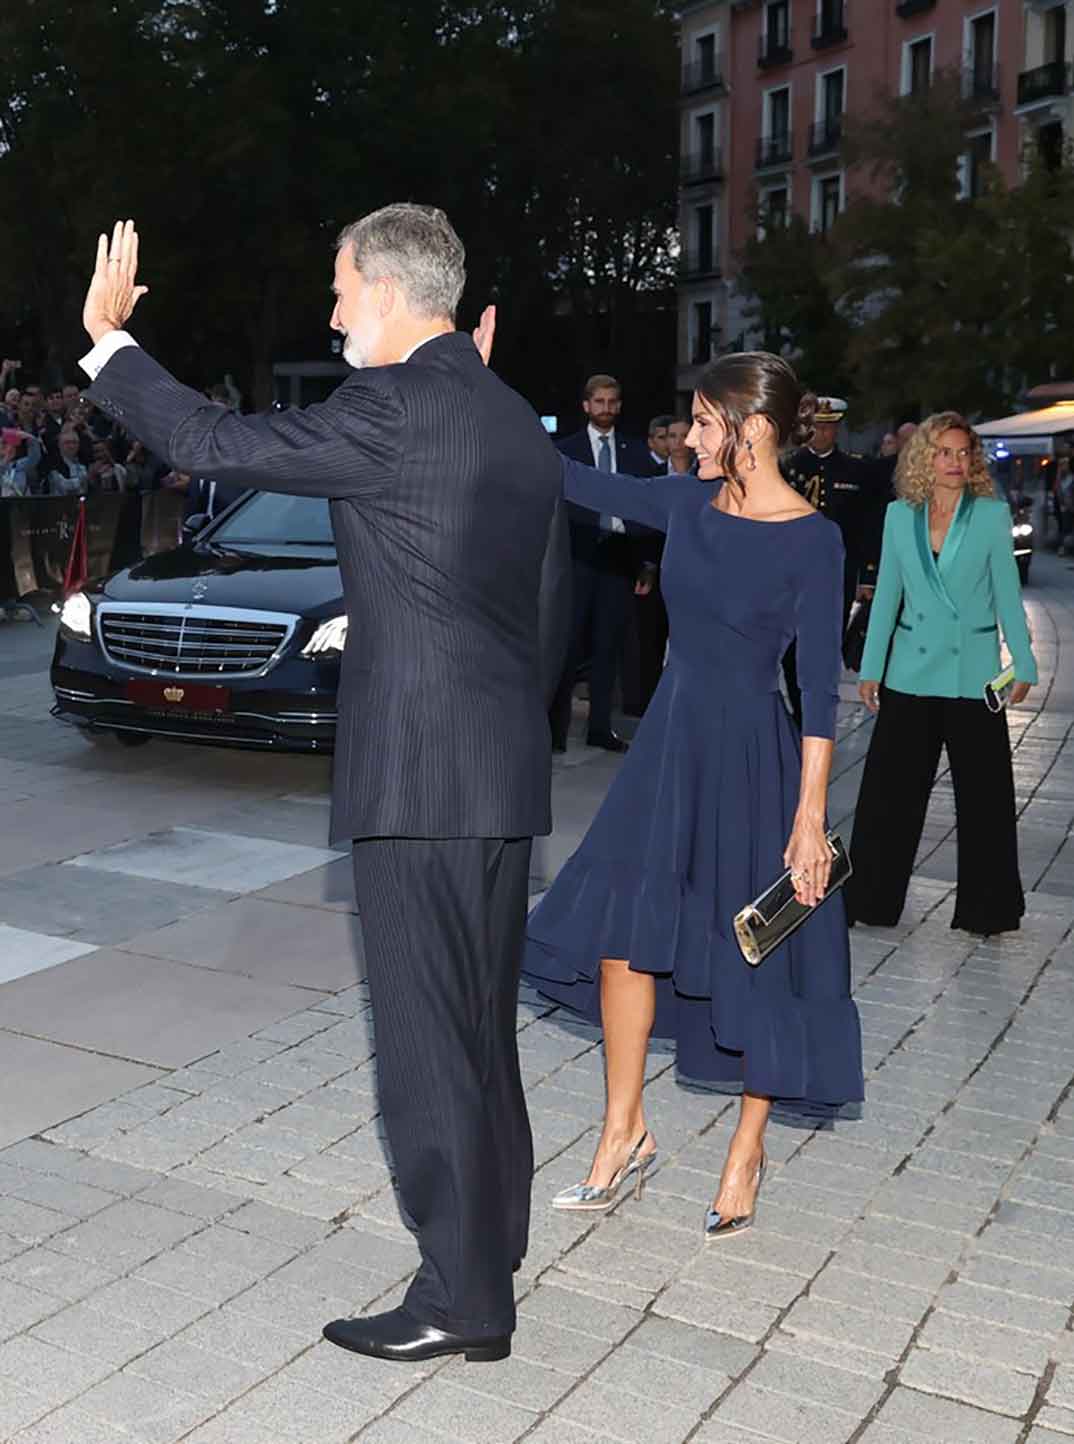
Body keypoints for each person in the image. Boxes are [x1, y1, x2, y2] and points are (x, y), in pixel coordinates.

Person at [79, 212, 570, 1366]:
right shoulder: (507, 415)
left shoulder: (396, 405)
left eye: (343, 290)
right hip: (499, 769)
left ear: (395, 294)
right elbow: (540, 609)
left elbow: (214, 440)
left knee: (422, 1038)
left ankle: (459, 1297)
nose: (334, 311)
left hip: (417, 771)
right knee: (479, 1032)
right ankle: (487, 1254)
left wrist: (108, 347)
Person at [525, 352, 863, 1237]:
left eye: (706, 424)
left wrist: (810, 819)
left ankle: (747, 1146)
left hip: (755, 755)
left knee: (756, 956)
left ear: (752, 430)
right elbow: (557, 474)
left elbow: (819, 687)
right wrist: (464, 379)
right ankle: (622, 1132)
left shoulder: (813, 540)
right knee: (618, 938)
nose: (689, 437)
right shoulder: (683, 501)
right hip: (670, 747)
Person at [848, 413, 1037, 936]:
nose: (956, 462)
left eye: (963, 453)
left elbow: (1006, 594)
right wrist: (872, 667)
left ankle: (989, 909)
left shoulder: (992, 517)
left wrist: (1024, 662)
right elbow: (888, 595)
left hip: (971, 676)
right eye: (944, 452)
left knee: (986, 799)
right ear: (923, 458)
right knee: (889, 796)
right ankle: (869, 899)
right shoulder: (897, 517)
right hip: (909, 673)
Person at [552, 375, 660, 753]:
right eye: (599, 402)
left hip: (619, 556)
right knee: (565, 645)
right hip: (576, 556)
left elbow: (651, 510)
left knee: (608, 647)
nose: (606, 409)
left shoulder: (635, 453)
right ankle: (555, 731)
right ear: (586, 405)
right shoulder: (564, 450)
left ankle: (600, 728)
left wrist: (648, 563)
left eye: (612, 401)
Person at [780, 396, 885, 727]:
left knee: (824, 650)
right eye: (815, 427)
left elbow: (870, 526)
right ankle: (800, 712)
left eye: (827, 427)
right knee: (790, 649)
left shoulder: (857, 469)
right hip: (790, 576)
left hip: (836, 576)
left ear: (837, 429)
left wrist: (868, 577)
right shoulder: (788, 466)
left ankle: (815, 714)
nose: (821, 434)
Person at [47, 428, 90, 495]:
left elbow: (85, 489)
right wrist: (83, 479)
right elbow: (63, 487)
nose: (71, 446)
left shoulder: (83, 462)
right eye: (67, 442)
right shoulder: (52, 462)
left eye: (74, 442)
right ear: (59, 444)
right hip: (58, 503)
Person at [0, 429, 42, 497]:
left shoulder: (19, 465)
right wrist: (6, 459)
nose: (10, 447)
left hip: (22, 504)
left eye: (12, 444)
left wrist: (30, 438)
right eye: (4, 444)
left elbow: (35, 456)